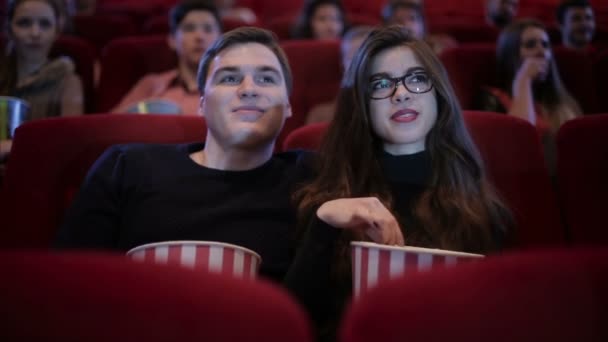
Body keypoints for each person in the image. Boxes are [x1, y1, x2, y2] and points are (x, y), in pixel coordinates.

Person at [286, 25, 513, 341]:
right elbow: (294, 322)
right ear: (361, 105)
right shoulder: (323, 197)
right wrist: (323, 224)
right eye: (381, 84)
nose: (401, 92)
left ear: (439, 95)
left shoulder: (482, 208)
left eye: (417, 79)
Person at [55, 27, 305, 284]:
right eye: (229, 79)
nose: (248, 89)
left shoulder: (310, 180)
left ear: (287, 105)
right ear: (201, 103)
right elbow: (69, 282)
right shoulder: (127, 167)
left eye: (266, 79)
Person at [477, 18, 581, 172]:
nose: (541, 51)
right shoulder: (491, 98)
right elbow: (520, 142)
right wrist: (523, 80)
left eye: (545, 45)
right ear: (510, 54)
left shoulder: (562, 99)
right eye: (531, 45)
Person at [0, 0, 83, 158]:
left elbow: (72, 141)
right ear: (9, 28)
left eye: (45, 24)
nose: (35, 33)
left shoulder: (68, 81)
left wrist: (11, 146)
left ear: (57, 30)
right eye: (24, 23)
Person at [111, 0, 222, 115]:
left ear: (220, 41)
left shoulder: (230, 88)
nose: (199, 37)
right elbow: (111, 124)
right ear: (172, 40)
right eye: (189, 28)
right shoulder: (151, 85)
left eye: (208, 29)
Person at [305, 25, 372, 124]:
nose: (361, 65)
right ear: (342, 64)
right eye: (354, 58)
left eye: (369, 58)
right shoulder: (320, 116)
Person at [382, 0, 457, 55]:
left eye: (412, 18)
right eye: (398, 21)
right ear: (387, 27)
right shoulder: (382, 51)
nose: (406, 24)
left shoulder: (442, 45)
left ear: (422, 23)